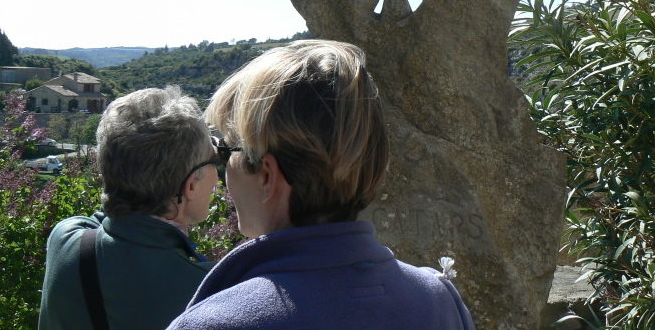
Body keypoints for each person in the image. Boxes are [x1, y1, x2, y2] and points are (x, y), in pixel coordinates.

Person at [167, 40, 475, 330]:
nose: (224, 170)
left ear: (267, 176)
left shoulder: (210, 323)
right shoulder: (440, 302)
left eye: (225, 152)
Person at [39, 86, 220, 330]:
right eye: (215, 160)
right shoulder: (208, 292)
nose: (218, 177)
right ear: (189, 186)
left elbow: (110, 219)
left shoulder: (66, 241)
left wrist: (124, 174)